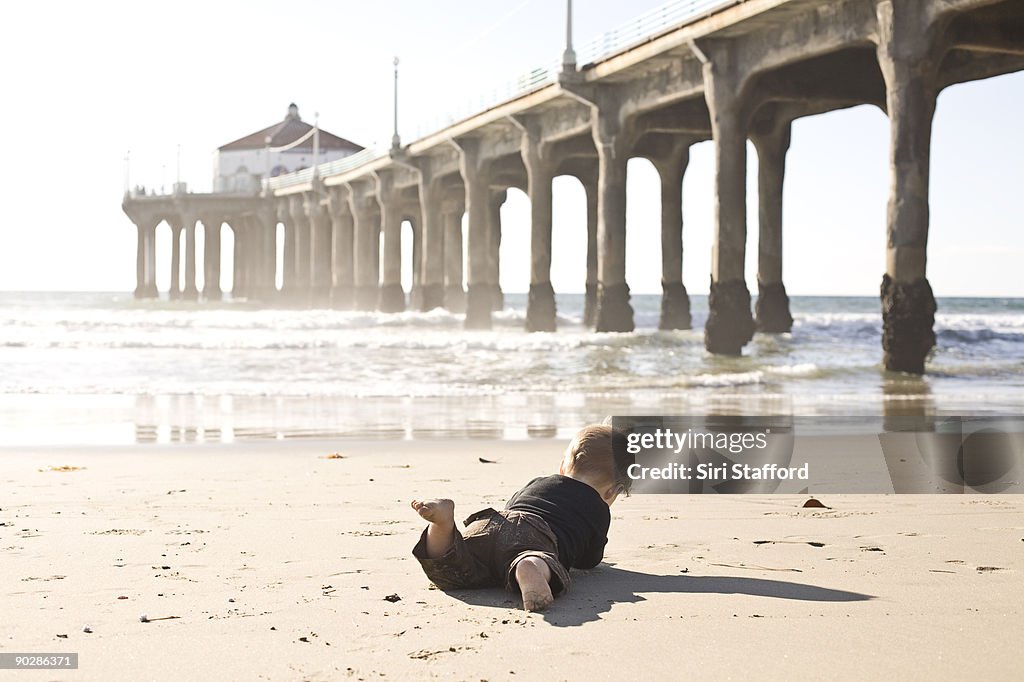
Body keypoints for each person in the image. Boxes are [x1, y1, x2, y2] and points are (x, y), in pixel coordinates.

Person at [410, 424, 633, 611]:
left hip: (494, 521)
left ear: (563, 466)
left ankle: (443, 526)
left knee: (453, 566)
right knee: (538, 557)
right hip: (536, 535)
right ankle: (530, 565)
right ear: (612, 492)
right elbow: (589, 560)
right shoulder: (598, 508)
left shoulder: (538, 482)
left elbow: (513, 505)